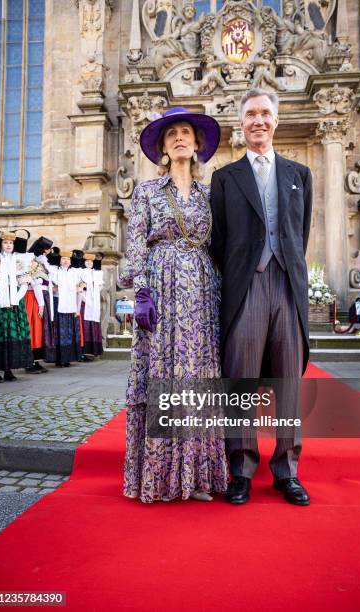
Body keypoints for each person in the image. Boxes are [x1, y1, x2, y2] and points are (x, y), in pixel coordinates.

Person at [210, 88, 313, 506]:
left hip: (286, 285)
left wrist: (285, 266)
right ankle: (241, 468)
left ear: (276, 120)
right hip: (246, 288)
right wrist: (243, 272)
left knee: (287, 383)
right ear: (241, 122)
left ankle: (287, 470)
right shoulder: (225, 177)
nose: (258, 121)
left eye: (265, 113)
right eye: (250, 114)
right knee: (242, 381)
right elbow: (219, 242)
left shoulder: (299, 174)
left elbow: (299, 233)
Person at [120, 106, 228, 503]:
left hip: (202, 291)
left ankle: (197, 476)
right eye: (172, 135)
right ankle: (162, 478)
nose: (180, 137)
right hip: (161, 290)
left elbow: (222, 246)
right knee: (163, 373)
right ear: (163, 148)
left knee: (197, 376)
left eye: (186, 132)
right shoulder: (147, 192)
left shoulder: (210, 195)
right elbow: (135, 245)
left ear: (197, 144)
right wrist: (142, 292)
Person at [0, 230, 34, 382]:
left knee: (13, 333)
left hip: (15, 300)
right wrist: (0, 298)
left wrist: (14, 298)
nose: (8, 245)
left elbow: (24, 283)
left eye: (11, 243)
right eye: (5, 242)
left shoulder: (19, 260)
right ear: (0, 244)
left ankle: (8, 369)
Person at [25, 236, 54, 373]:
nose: (47, 253)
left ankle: (36, 360)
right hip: (33, 297)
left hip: (41, 297)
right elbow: (35, 284)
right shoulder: (32, 262)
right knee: (33, 327)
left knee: (39, 329)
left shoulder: (42, 262)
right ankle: (29, 361)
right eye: (46, 250)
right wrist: (41, 304)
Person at [50, 249, 82, 367]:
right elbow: (51, 284)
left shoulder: (75, 272)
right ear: (59, 260)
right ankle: (58, 359)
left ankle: (68, 358)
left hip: (70, 303)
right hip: (58, 302)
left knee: (69, 331)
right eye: (63, 259)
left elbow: (81, 284)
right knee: (58, 330)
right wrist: (54, 288)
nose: (65, 261)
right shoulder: (54, 271)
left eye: (67, 259)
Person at [78, 252, 104, 359]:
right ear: (84, 262)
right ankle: (83, 351)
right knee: (84, 324)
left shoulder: (97, 273)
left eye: (91, 261)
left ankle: (93, 350)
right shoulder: (81, 272)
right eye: (87, 261)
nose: (89, 263)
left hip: (94, 302)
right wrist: (85, 292)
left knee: (94, 323)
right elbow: (79, 286)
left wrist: (95, 288)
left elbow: (101, 285)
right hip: (84, 301)